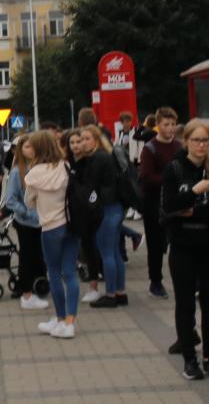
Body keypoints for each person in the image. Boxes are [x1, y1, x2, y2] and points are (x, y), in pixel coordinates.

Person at [162, 120, 209, 380]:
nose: (201, 145)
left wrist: (193, 211)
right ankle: (190, 359)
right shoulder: (175, 168)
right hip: (183, 246)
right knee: (185, 303)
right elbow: (170, 206)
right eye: (196, 140)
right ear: (186, 141)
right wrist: (194, 192)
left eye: (206, 140)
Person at [24, 130, 78, 338]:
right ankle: (69, 322)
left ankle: (60, 318)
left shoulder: (34, 173)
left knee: (54, 274)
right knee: (70, 273)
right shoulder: (65, 166)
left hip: (50, 228)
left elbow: (29, 200)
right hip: (71, 225)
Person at [79, 126, 127, 308]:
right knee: (114, 253)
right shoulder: (105, 156)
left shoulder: (96, 159)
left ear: (96, 140)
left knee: (107, 253)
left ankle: (111, 294)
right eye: (81, 139)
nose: (83, 142)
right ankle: (120, 292)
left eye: (86, 138)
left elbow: (90, 187)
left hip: (106, 209)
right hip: (115, 208)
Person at [1, 134, 48, 309]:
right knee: (26, 257)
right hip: (26, 222)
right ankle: (26, 294)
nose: (31, 150)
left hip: (41, 221)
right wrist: (26, 212)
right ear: (20, 150)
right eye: (27, 147)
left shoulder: (41, 168)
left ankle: (37, 287)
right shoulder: (16, 172)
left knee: (38, 256)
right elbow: (11, 199)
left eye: (33, 146)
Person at [139, 106, 181, 299]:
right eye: (166, 124)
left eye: (173, 124)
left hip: (176, 202)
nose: (171, 128)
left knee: (178, 242)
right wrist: (170, 179)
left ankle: (184, 278)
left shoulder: (179, 146)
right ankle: (155, 280)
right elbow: (146, 178)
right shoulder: (150, 149)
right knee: (155, 244)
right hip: (154, 203)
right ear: (158, 126)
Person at [64, 129, 101, 303]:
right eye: (72, 143)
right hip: (72, 213)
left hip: (89, 213)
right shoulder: (67, 163)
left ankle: (94, 286)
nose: (76, 145)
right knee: (76, 250)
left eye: (79, 142)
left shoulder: (90, 163)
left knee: (89, 248)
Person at [115, 111, 143, 221]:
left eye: (128, 121)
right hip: (124, 162)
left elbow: (140, 145)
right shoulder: (120, 133)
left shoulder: (136, 131)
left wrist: (140, 160)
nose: (126, 123)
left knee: (136, 185)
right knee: (128, 186)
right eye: (124, 121)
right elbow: (116, 146)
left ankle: (138, 209)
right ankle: (132, 206)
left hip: (134, 161)